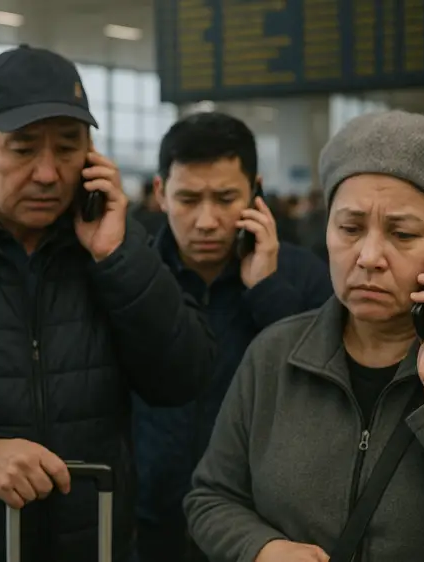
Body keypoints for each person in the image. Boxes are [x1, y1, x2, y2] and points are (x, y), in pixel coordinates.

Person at [0, 44, 213, 562]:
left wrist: (117, 257)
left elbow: (182, 377)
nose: (47, 173)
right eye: (23, 149)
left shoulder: (117, 247)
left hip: (95, 540)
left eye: (67, 148)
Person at [185, 110, 424, 562]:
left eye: (402, 234)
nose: (369, 256)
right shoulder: (276, 352)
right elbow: (211, 497)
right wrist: (260, 548)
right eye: (349, 229)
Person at [132, 112, 332, 562]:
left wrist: (267, 291)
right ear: (161, 193)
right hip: (150, 519)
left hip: (261, 528)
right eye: (187, 199)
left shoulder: (302, 277)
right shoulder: (136, 276)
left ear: (255, 190)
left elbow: (325, 389)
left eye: (225, 198)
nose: (206, 221)